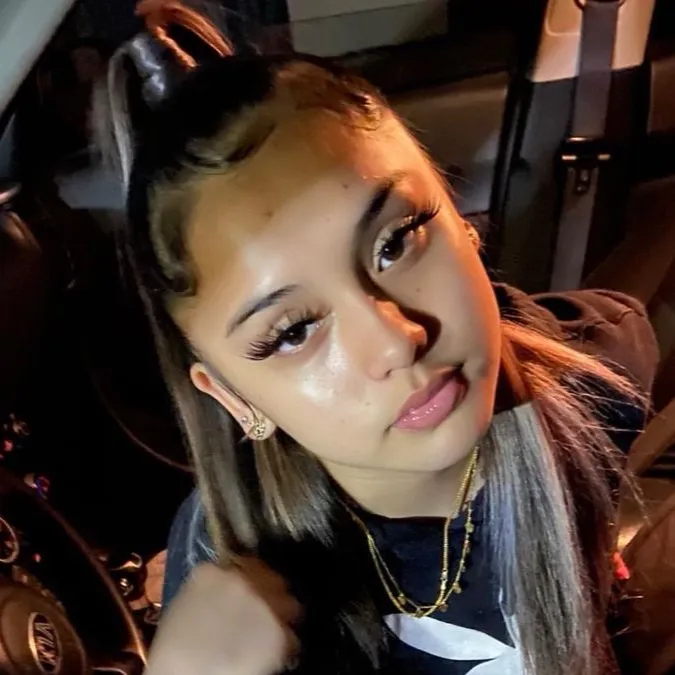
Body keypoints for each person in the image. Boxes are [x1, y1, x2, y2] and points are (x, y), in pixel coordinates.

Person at [94, 2, 659, 673]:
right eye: (293, 331)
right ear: (232, 397)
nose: (396, 341)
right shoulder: (239, 591)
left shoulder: (595, 372)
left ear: (462, 223)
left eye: (395, 242)